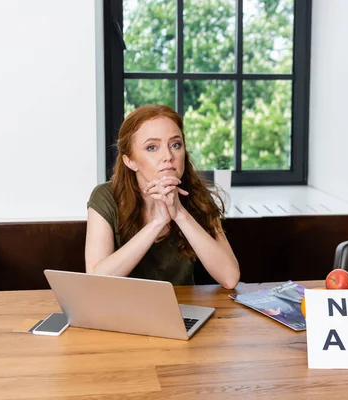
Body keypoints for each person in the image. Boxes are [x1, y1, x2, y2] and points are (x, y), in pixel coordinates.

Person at [85, 104, 240, 289]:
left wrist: (180, 214)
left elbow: (230, 278)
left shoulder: (198, 196)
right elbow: (96, 280)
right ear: (130, 161)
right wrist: (158, 222)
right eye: (152, 147)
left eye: (176, 145)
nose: (168, 156)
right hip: (122, 311)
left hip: (182, 310)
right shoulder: (105, 196)